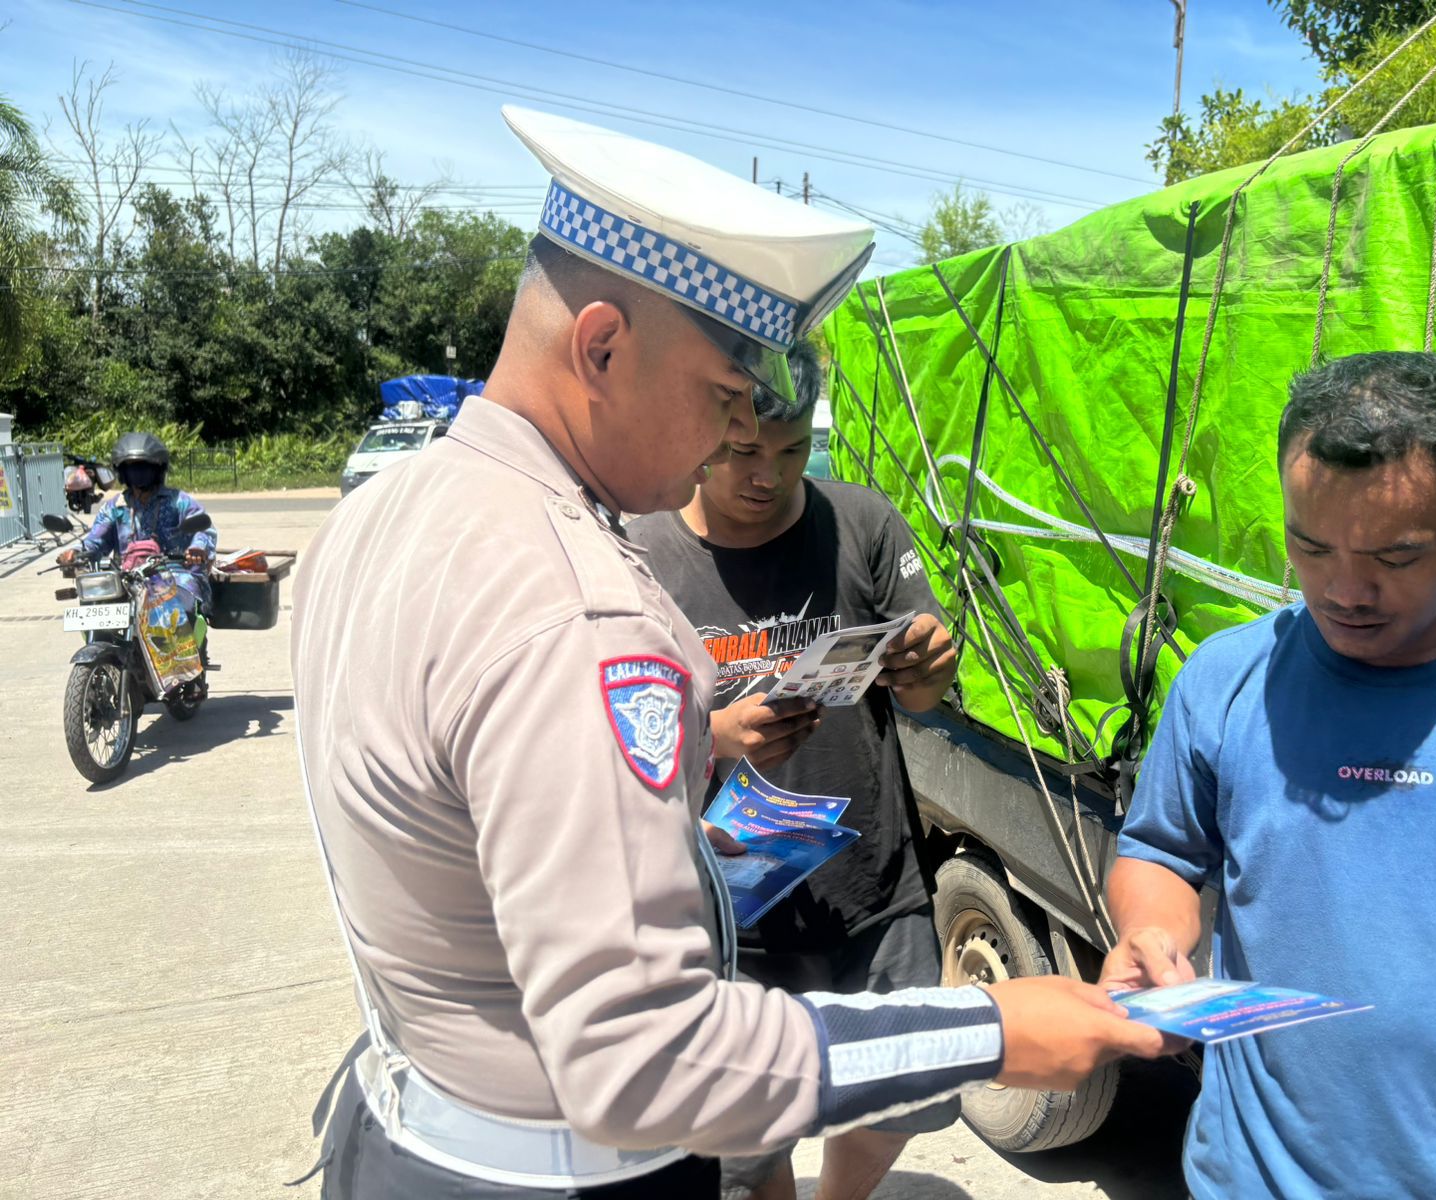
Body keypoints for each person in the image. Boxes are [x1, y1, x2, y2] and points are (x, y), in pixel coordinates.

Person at [290, 107, 1169, 1200]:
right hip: (562, 1170)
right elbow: (642, 1060)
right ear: (600, 345)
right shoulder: (581, 607)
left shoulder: (389, 514)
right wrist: (984, 1034)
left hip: (411, 1128)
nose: (726, 445)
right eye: (718, 399)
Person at [1100, 351, 1436, 1200]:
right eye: (1310, 545)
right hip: (1247, 1179)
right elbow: (1159, 852)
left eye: (1397, 556)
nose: (1345, 589)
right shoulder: (1226, 678)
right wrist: (1150, 934)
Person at [627, 339, 961, 1200]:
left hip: (873, 889)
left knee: (901, 1090)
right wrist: (714, 735)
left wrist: (929, 668)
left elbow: (924, 693)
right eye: (742, 450)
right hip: (727, 912)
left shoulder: (861, 522)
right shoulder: (641, 553)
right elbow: (603, 740)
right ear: (702, 430)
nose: (768, 476)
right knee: (745, 1137)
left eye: (791, 450)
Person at [57, 430, 217, 618]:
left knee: (177, 610)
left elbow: (204, 529)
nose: (138, 471)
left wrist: (198, 548)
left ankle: (187, 645)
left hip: (175, 575)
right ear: (123, 471)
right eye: (131, 466)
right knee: (95, 601)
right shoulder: (115, 507)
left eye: (144, 466)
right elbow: (95, 541)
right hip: (128, 577)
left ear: (157, 469)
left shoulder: (179, 501)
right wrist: (76, 552)